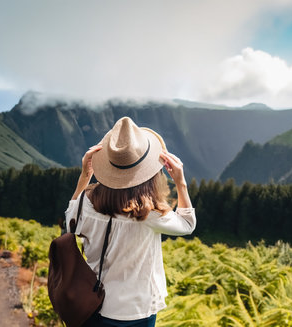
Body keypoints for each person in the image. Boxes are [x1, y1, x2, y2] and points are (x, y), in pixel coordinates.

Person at [65, 117, 196, 326]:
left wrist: (84, 177)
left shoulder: (86, 203)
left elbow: (70, 221)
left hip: (92, 303)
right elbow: (187, 225)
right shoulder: (149, 213)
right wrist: (181, 183)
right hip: (137, 310)